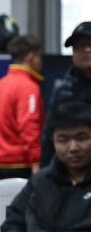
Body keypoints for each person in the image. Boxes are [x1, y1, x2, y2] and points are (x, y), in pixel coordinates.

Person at [2, 101, 91, 232]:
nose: (73, 148)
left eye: (81, 138)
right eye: (63, 140)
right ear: (53, 142)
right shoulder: (41, 180)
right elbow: (11, 226)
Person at [0, 35, 44, 179]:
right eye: (39, 57)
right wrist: (36, 161)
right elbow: (29, 126)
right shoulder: (28, 88)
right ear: (31, 57)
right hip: (21, 166)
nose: (41, 63)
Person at [41, 22, 91, 167]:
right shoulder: (63, 91)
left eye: (90, 44)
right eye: (80, 46)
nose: (87, 49)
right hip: (75, 169)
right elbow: (49, 136)